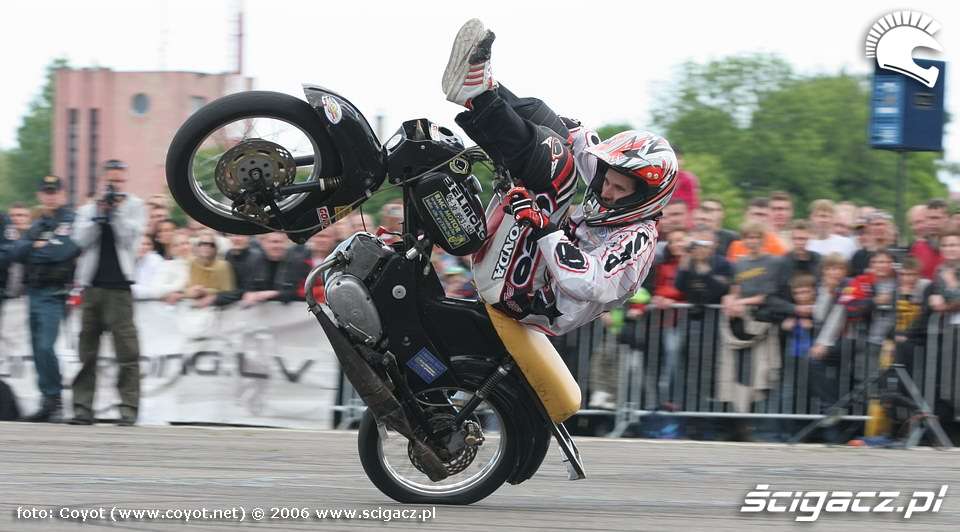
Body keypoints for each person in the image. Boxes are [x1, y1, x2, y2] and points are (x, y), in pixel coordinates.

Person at [443, 19, 677, 336]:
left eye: (619, 188)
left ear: (644, 198)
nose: (606, 190)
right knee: (554, 129)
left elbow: (592, 282)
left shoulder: (639, 239)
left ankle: (479, 96)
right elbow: (580, 140)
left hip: (528, 299)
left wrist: (545, 228)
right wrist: (543, 120)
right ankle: (480, 91)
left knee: (558, 169)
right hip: (524, 267)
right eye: (607, 180)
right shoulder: (613, 190)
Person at [70, 159, 147, 425]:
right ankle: (82, 408)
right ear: (104, 180)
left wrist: (116, 213)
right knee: (87, 353)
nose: (116, 186)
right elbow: (80, 240)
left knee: (127, 353)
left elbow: (129, 239)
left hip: (120, 289)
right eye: (112, 181)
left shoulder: (135, 206)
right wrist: (98, 214)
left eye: (120, 181)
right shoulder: (87, 208)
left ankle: (128, 409)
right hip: (92, 288)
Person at [10, 176, 79, 422]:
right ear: (40, 195)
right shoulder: (38, 223)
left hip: (54, 293)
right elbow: (16, 252)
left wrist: (37, 248)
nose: (50, 196)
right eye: (46, 192)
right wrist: (37, 247)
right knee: (37, 349)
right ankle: (47, 400)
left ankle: (55, 400)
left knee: (46, 347)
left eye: (54, 191)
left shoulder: (70, 220)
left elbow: (62, 251)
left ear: (62, 194)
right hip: (34, 292)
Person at [725, 198, 787, 262]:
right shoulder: (735, 246)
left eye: (763, 215)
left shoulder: (776, 246)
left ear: (770, 218)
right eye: (756, 214)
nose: (758, 219)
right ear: (746, 215)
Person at [185, 230, 235, 308]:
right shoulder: (190, 262)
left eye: (211, 245)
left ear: (216, 249)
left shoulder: (223, 266)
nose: (207, 247)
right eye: (202, 244)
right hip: (190, 305)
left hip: (216, 308)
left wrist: (205, 291)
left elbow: (228, 292)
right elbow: (183, 287)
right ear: (196, 247)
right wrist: (190, 292)